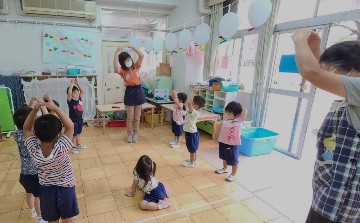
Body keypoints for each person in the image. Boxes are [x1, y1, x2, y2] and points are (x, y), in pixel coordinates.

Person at [293, 28, 360, 223]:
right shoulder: (349, 94)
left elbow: (312, 72)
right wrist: (314, 49)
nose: (330, 76)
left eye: (332, 70)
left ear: (352, 69)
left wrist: (299, 39)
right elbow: (318, 73)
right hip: (328, 193)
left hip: (342, 204)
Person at [23, 94, 79, 223]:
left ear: (35, 134)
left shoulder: (33, 150)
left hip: (47, 190)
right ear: (59, 135)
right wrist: (55, 107)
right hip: (66, 188)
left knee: (51, 220)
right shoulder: (61, 148)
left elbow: (26, 128)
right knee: (69, 220)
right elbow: (70, 126)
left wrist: (35, 110)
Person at [13, 97, 46, 223]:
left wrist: (31, 105)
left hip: (24, 173)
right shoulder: (34, 137)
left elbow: (25, 122)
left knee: (29, 192)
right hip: (35, 173)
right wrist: (42, 108)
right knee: (38, 196)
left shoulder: (17, 134)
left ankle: (31, 210)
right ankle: (40, 217)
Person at [114, 45, 146, 143]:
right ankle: (129, 134)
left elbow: (141, 56)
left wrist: (132, 47)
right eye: (125, 60)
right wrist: (116, 53)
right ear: (122, 63)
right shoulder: (123, 71)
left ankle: (135, 134)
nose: (128, 61)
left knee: (137, 117)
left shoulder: (136, 66)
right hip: (130, 93)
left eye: (128, 59)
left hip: (139, 91)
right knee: (130, 118)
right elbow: (116, 66)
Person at [214, 101, 247, 182]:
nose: (226, 114)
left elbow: (245, 110)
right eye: (226, 112)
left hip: (232, 144)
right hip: (222, 142)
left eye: (229, 113)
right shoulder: (226, 118)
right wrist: (229, 110)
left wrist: (237, 108)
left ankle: (233, 174)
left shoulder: (238, 121)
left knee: (233, 160)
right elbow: (225, 112)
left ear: (237, 115)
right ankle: (225, 168)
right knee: (224, 157)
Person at [182, 88, 205, 168]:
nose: (191, 103)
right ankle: (193, 160)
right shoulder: (194, 111)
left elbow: (189, 103)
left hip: (191, 133)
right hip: (191, 132)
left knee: (192, 149)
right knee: (194, 148)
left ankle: (191, 163)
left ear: (196, 105)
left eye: (193, 103)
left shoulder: (194, 112)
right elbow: (190, 103)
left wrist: (193, 93)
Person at [67, 78, 86, 154]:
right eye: (74, 93)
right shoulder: (70, 101)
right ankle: (74, 147)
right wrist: (72, 83)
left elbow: (83, 91)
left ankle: (78, 144)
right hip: (73, 121)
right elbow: (69, 93)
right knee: (74, 134)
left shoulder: (79, 99)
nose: (77, 94)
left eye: (77, 92)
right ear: (71, 94)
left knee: (78, 133)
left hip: (80, 119)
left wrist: (77, 83)